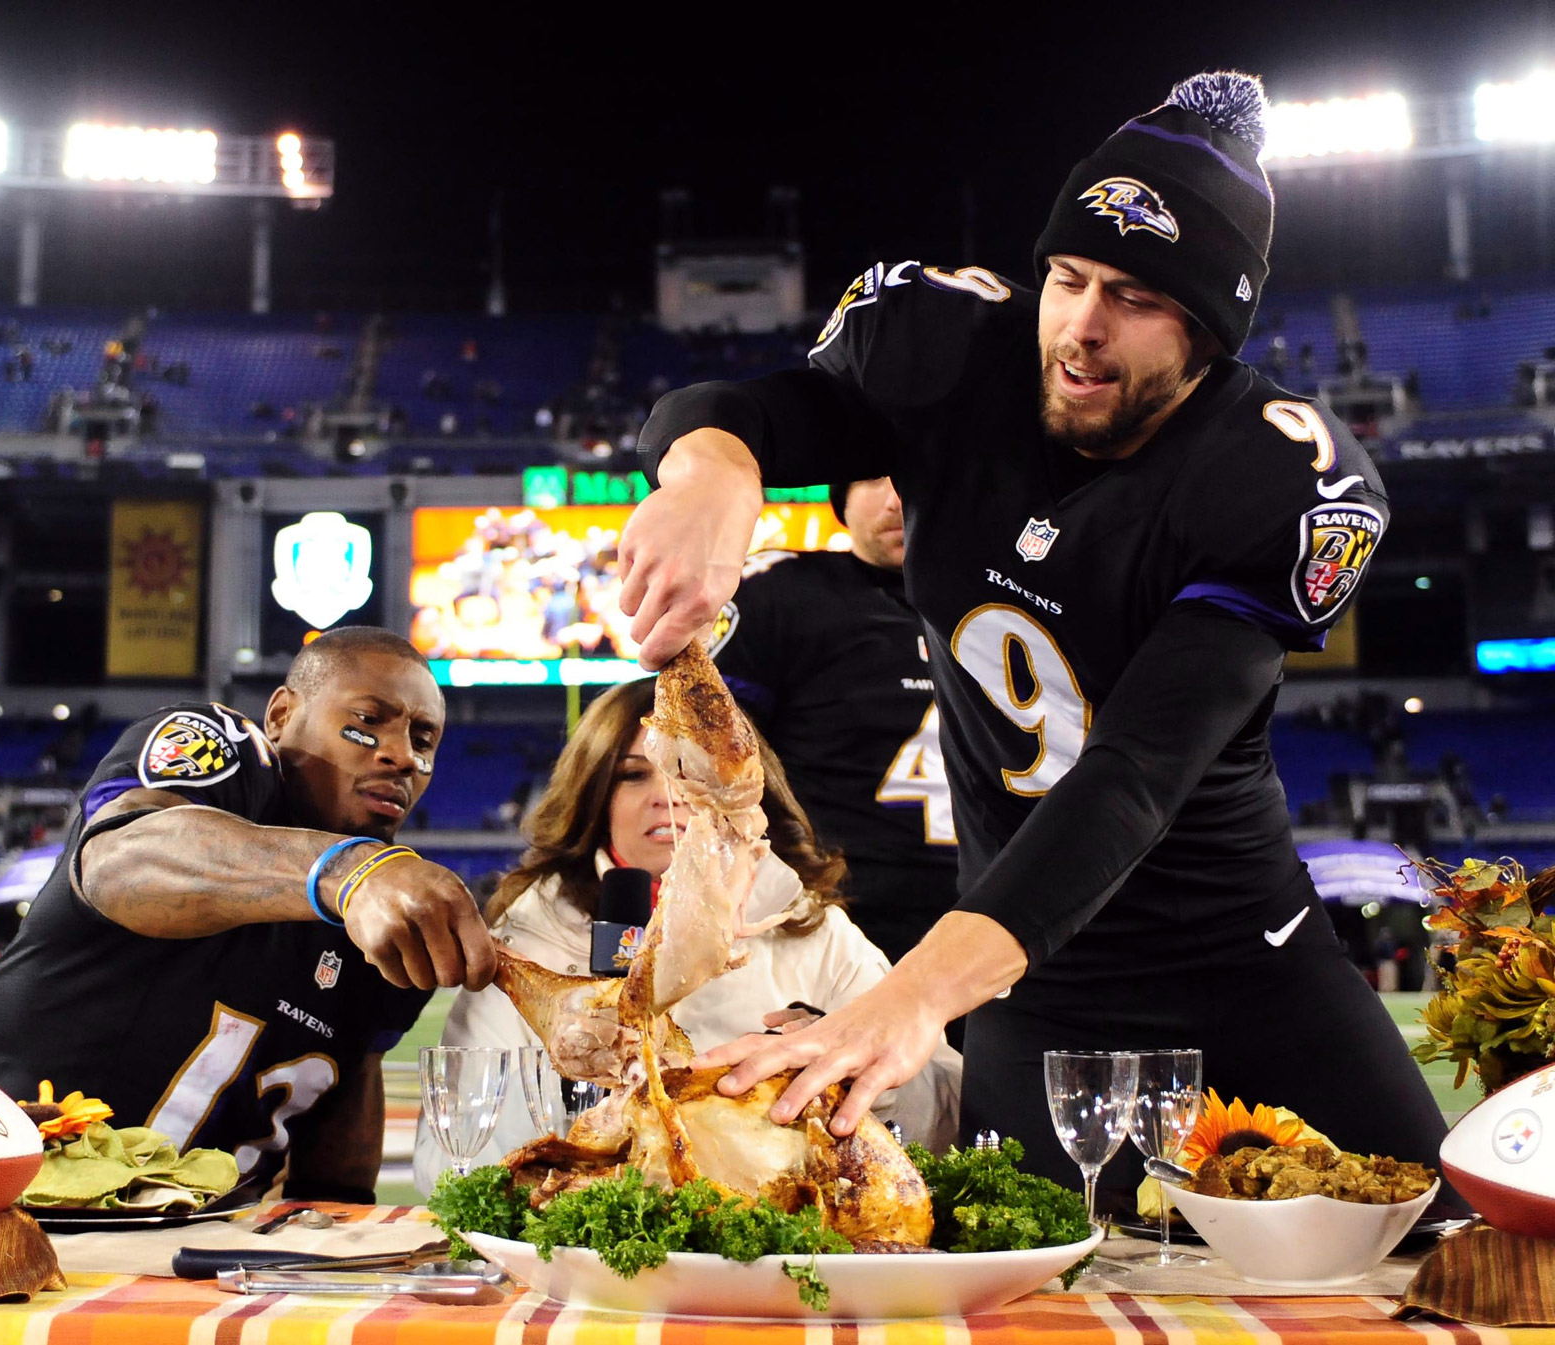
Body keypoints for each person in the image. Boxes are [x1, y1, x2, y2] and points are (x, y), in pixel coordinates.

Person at [615, 72, 1450, 1205]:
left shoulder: (1273, 472)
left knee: (1443, 1242)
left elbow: (1132, 774)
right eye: (1067, 278)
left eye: (1137, 299)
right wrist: (714, 469)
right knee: (1032, 1289)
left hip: (1240, 953)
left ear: (1208, 329)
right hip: (1035, 986)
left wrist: (911, 995)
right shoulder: (957, 351)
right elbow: (743, 407)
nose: (1082, 327)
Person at [0, 628, 496, 1202]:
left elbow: (337, 1165)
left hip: (200, 1248)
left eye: (423, 738)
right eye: (369, 719)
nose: (403, 755)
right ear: (282, 714)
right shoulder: (228, 751)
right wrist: (347, 872)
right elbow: (117, 861)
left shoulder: (382, 917)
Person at [411, 677, 961, 1193]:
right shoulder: (532, 938)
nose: (666, 796)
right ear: (594, 800)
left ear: (743, 793)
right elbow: (457, 1151)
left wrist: (844, 1067)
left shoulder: (814, 930)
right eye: (632, 774)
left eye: (690, 773)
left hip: (780, 1246)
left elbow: (945, 1105)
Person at [711, 477, 961, 972]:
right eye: (872, 477)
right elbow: (707, 757)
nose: (896, 498)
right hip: (830, 924)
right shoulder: (778, 595)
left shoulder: (1029, 603)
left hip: (994, 919)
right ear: (841, 497)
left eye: (909, 473)